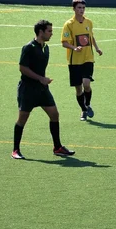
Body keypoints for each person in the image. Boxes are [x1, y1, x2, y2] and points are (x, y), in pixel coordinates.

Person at [12, 20, 75, 159]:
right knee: (22, 118)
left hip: (42, 89)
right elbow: (22, 68)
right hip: (28, 89)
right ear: (41, 32)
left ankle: (57, 147)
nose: (52, 34)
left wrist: (43, 80)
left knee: (54, 114)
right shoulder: (28, 47)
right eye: (49, 31)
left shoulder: (45, 48)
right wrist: (40, 78)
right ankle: (15, 150)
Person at [61, 0, 103, 121]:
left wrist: (97, 48)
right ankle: (83, 110)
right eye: (79, 8)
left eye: (83, 8)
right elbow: (64, 43)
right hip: (74, 61)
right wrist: (74, 48)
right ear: (73, 9)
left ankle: (88, 104)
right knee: (78, 88)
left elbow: (91, 37)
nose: (82, 10)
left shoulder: (88, 22)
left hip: (88, 58)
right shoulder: (69, 24)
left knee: (86, 84)